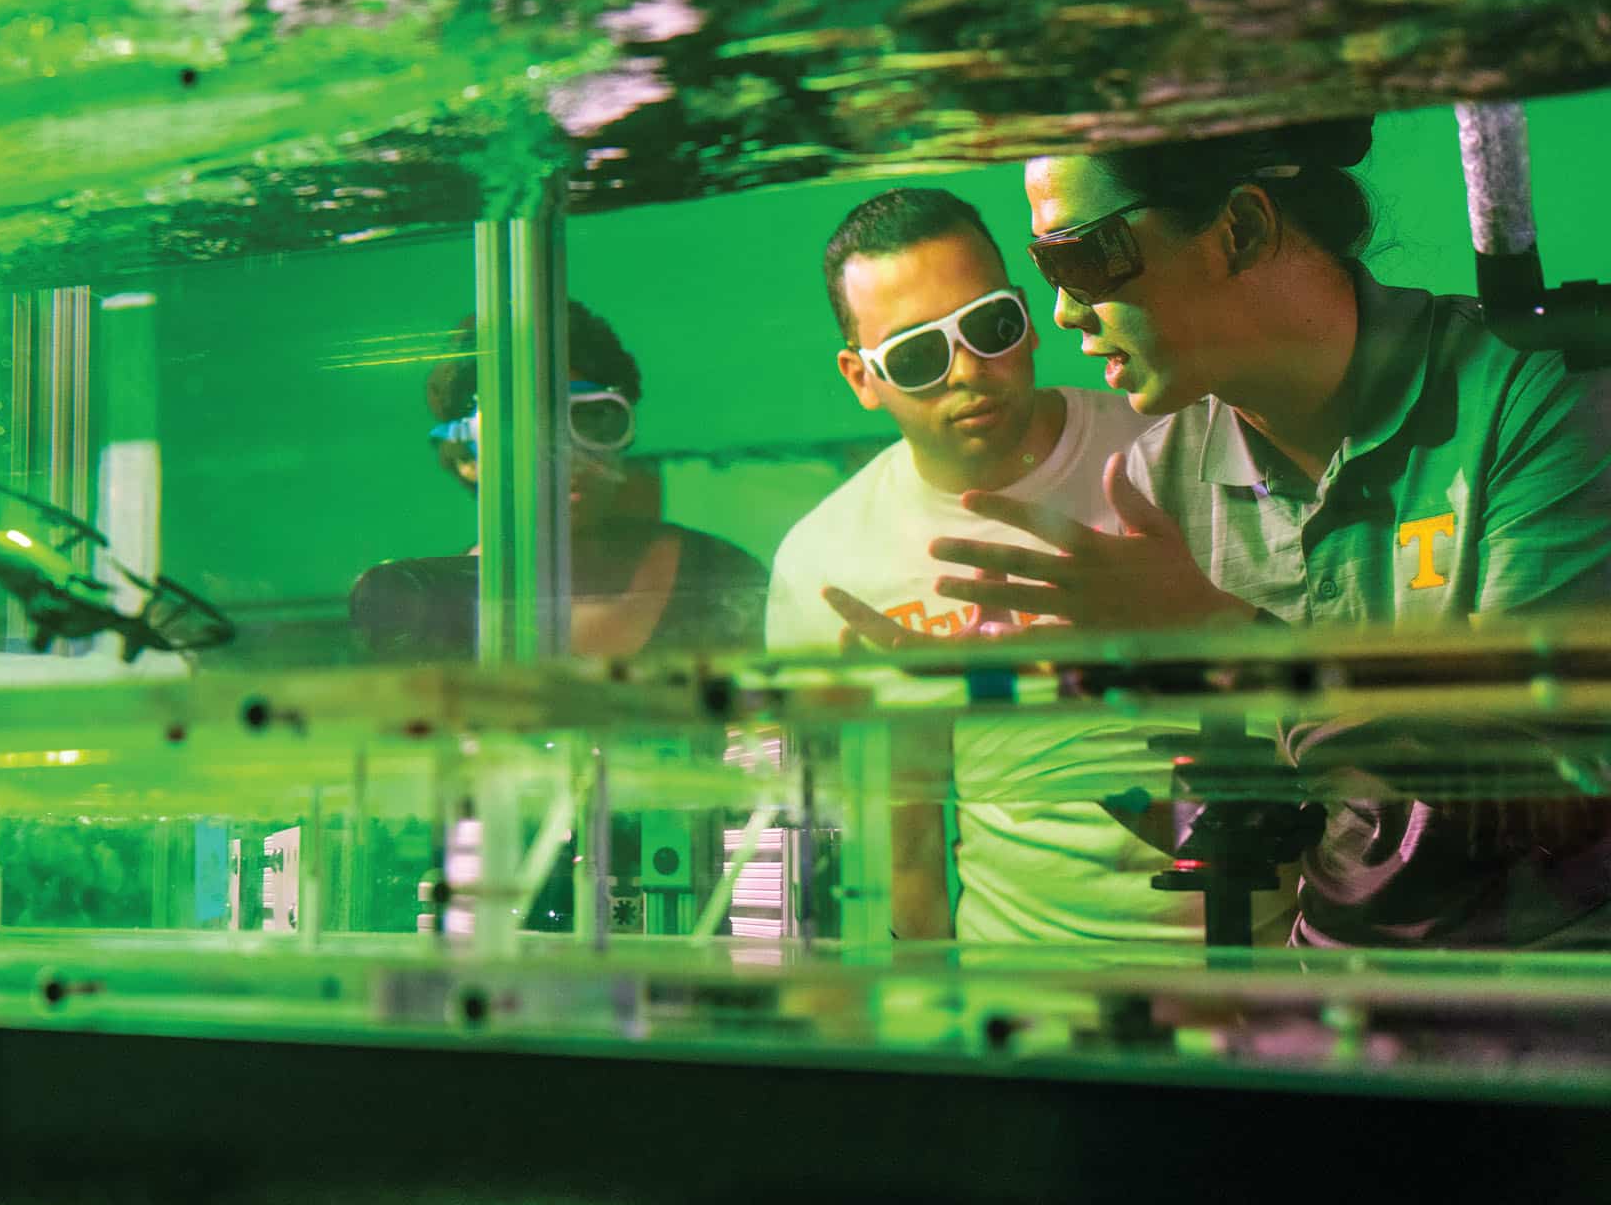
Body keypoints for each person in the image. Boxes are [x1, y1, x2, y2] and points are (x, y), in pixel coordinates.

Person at [931, 116, 1611, 947]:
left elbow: (1549, 807)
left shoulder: (1537, 398)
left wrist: (1225, 639)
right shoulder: (1164, 482)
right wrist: (1044, 731)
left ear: (1241, 228)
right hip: (1341, 1029)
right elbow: (1245, 827)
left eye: (1078, 257)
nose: (1064, 310)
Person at [767, 188, 1290, 942]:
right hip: (1019, 1003)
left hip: (1262, 975)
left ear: (1028, 315)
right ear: (860, 378)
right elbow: (895, 850)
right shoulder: (827, 563)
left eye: (990, 326)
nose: (967, 370)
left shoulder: (1178, 443)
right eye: (916, 354)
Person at [411, 299, 768, 657]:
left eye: (591, 420)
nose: (566, 457)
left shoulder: (718, 575)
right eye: (522, 434)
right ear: (465, 458)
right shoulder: (427, 611)